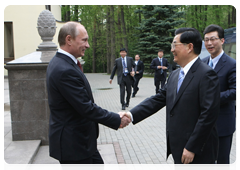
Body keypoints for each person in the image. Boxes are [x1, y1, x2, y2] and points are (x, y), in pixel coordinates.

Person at [125, 28, 220, 170]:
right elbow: (158, 99)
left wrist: (192, 147)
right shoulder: (175, 74)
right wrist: (131, 115)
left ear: (189, 47)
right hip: (178, 151)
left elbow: (208, 116)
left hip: (197, 154)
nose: (172, 49)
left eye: (175, 45)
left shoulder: (206, 74)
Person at [46, 21, 130, 170]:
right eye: (84, 40)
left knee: (98, 165)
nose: (88, 45)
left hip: (81, 141)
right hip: (73, 145)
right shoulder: (64, 69)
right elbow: (86, 107)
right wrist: (116, 119)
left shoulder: (65, 63)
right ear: (69, 39)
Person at [202, 24, 238, 170]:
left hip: (223, 124)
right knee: (206, 162)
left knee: (222, 164)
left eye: (213, 39)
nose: (209, 43)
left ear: (222, 40)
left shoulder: (232, 64)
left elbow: (236, 91)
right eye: (206, 40)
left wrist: (213, 98)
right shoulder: (202, 63)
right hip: (203, 125)